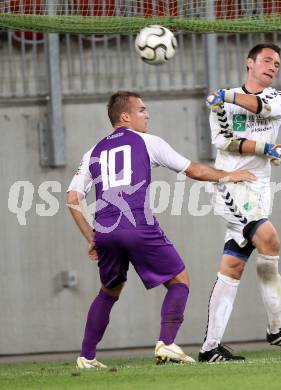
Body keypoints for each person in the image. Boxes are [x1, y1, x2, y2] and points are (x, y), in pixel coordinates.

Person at [66, 91, 256, 368]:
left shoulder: (92, 151)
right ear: (125, 116)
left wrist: (91, 237)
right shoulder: (147, 142)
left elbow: (73, 199)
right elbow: (194, 171)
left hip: (105, 229)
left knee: (109, 290)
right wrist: (228, 176)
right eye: (142, 110)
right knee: (179, 280)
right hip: (137, 224)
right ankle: (166, 343)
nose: (147, 114)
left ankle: (86, 357)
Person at [198, 43, 281, 362]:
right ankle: (277, 328)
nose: (272, 66)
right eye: (266, 60)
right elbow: (223, 141)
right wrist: (265, 148)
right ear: (249, 63)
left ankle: (210, 348)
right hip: (231, 185)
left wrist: (225, 96)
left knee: (232, 266)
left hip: (259, 188)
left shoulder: (276, 97)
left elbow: (260, 107)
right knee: (270, 238)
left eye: (276, 63)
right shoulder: (225, 104)